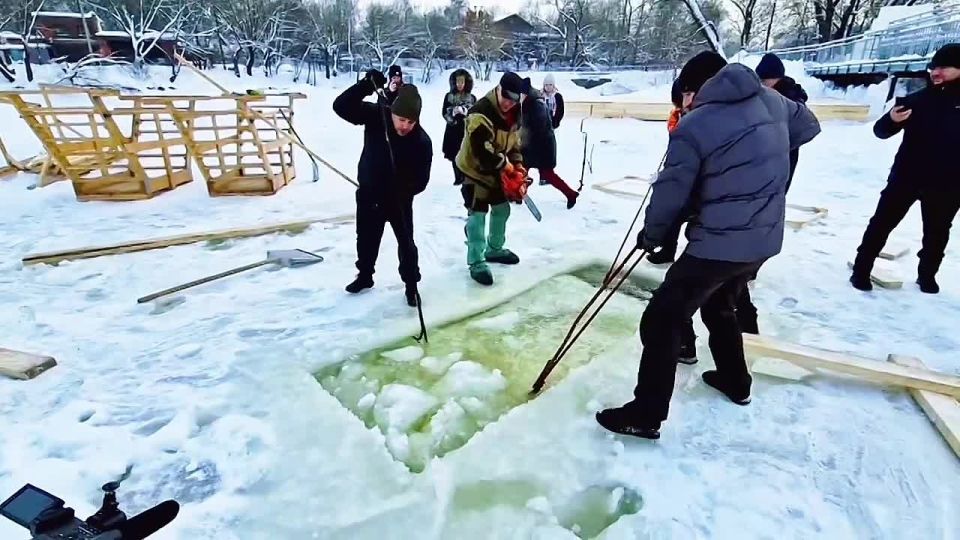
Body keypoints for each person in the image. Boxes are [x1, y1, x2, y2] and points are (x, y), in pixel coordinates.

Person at [596, 52, 821, 440]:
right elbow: (809, 124)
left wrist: (652, 236)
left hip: (720, 242)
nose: (682, 107)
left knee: (662, 318)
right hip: (762, 239)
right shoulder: (774, 101)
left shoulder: (695, 124)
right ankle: (736, 380)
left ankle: (646, 413)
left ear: (691, 90)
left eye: (682, 98)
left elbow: (672, 190)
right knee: (720, 303)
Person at [851, 43, 960, 294]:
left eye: (944, 66)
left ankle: (927, 276)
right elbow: (880, 131)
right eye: (934, 66)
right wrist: (891, 120)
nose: (935, 71)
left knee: (937, 233)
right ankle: (861, 269)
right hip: (907, 177)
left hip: (948, 184)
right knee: (881, 224)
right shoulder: (918, 100)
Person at [334, 69, 433, 307]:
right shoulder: (376, 115)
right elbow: (341, 107)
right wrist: (365, 86)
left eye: (411, 121)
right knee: (366, 239)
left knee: (407, 244)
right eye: (401, 119)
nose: (405, 126)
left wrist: (404, 189)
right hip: (369, 195)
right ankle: (365, 276)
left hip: (399, 200)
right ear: (393, 112)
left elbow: (422, 179)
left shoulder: (422, 141)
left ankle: (411, 285)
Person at [456, 71, 530, 286]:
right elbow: (482, 150)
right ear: (498, 90)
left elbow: (514, 143)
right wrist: (506, 166)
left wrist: (518, 165)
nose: (508, 103)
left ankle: (495, 249)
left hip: (496, 171)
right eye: (505, 98)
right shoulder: (480, 113)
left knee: (502, 209)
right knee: (477, 216)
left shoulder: (515, 113)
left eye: (513, 100)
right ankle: (476, 261)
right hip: (474, 169)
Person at [755, 52, 809, 192]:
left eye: (764, 81)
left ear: (775, 78)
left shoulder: (788, 97)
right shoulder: (778, 93)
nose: (762, 85)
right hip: (775, 152)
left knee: (776, 190)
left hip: (785, 152)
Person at [521, 86, 579, 209]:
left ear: (525, 94)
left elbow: (537, 129)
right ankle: (519, 195)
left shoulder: (535, 106)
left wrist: (524, 139)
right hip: (537, 147)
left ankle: (571, 194)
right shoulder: (530, 104)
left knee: (545, 174)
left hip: (542, 149)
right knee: (523, 170)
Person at [441, 68, 476, 186]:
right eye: (457, 82)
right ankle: (458, 176)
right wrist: (452, 113)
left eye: (462, 82)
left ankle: (466, 175)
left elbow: (476, 114)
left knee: (466, 154)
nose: (460, 85)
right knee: (454, 154)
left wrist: (466, 112)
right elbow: (443, 113)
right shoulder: (449, 97)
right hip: (452, 130)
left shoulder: (471, 98)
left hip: (466, 130)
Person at [538, 74, 565, 186]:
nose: (548, 87)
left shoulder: (557, 96)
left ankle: (547, 175)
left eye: (550, 85)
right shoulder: (540, 96)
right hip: (539, 128)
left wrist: (554, 123)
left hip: (551, 128)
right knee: (539, 153)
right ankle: (542, 176)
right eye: (546, 85)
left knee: (549, 153)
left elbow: (560, 111)